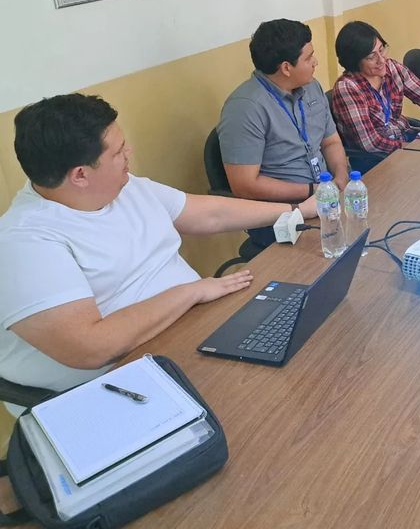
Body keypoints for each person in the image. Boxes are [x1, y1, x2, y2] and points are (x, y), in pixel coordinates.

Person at [0, 94, 319, 396]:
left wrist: (297, 211)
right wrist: (189, 292)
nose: (129, 153)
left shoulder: (123, 187)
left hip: (193, 335)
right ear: (80, 175)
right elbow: (91, 347)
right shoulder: (25, 243)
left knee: (310, 346)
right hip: (120, 386)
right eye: (118, 152)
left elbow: (211, 214)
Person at [219, 19, 349, 246]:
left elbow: (331, 142)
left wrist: (340, 177)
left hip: (327, 199)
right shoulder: (245, 107)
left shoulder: (311, 87)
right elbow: (245, 185)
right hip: (284, 215)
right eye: (308, 58)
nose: (315, 62)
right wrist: (312, 190)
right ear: (286, 68)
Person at [331, 21, 420, 158]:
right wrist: (415, 148)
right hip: (380, 157)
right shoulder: (347, 88)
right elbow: (370, 143)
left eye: (381, 50)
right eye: (371, 57)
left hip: (406, 138)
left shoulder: (391, 68)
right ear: (354, 61)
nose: (381, 60)